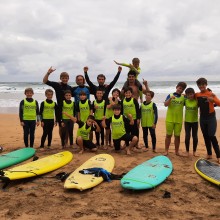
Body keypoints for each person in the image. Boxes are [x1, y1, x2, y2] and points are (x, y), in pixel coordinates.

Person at [195, 78, 220, 163]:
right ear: (198, 86)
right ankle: (209, 154)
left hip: (211, 118)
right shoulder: (197, 95)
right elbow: (189, 96)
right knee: (205, 136)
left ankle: (218, 156)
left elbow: (219, 103)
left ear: (206, 84)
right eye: (199, 84)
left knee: (212, 135)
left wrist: (213, 100)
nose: (201, 86)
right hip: (202, 118)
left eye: (203, 84)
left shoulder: (211, 94)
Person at [164, 82, 187, 156]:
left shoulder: (184, 97)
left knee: (177, 136)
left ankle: (176, 151)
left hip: (178, 120)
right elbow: (165, 104)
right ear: (176, 87)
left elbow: (190, 103)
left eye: (182, 89)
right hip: (169, 119)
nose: (180, 90)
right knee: (168, 135)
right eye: (179, 88)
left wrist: (187, 96)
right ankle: (166, 151)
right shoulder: (170, 95)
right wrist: (170, 99)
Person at [184, 88, 198, 157]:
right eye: (188, 94)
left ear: (194, 94)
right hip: (187, 121)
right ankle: (187, 151)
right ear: (186, 95)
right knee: (187, 136)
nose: (190, 96)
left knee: (194, 136)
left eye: (191, 94)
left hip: (195, 121)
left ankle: (194, 151)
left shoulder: (196, 101)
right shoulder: (185, 101)